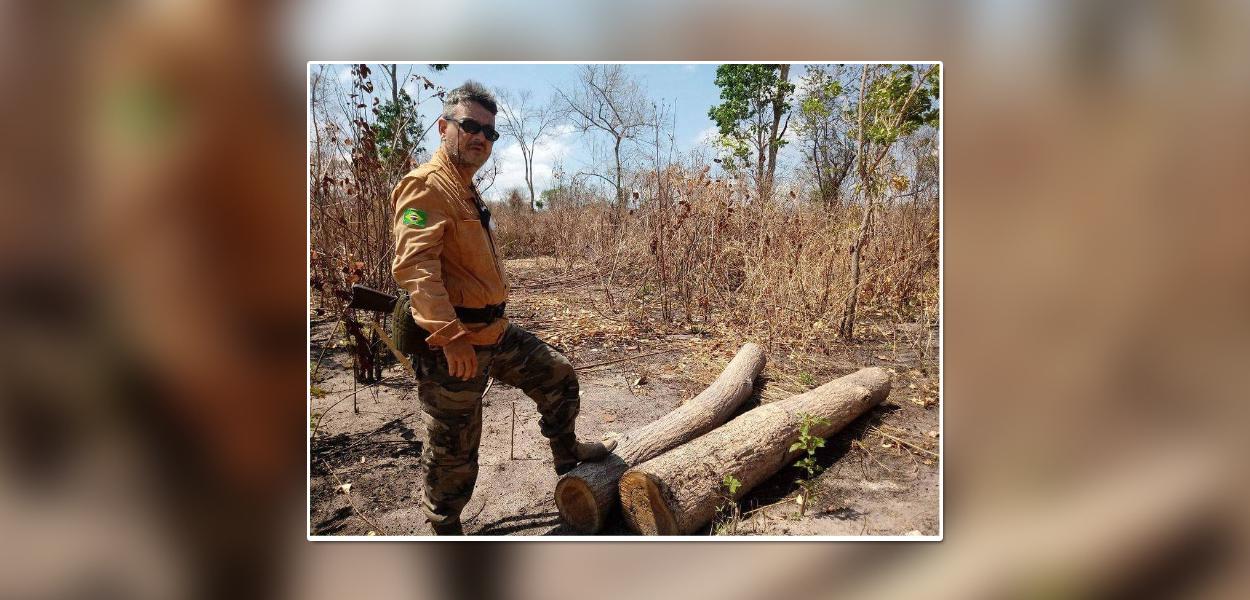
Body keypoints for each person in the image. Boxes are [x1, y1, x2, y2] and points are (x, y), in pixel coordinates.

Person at [391, 81, 616, 536]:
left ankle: (567, 454)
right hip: (454, 344)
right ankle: (445, 526)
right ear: (443, 127)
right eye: (470, 126)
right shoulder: (425, 188)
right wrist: (450, 336)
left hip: (495, 333)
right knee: (454, 448)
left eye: (490, 132)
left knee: (557, 375)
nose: (481, 138)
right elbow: (416, 267)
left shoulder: (465, 189)